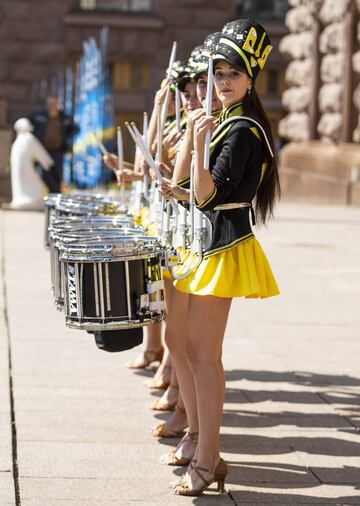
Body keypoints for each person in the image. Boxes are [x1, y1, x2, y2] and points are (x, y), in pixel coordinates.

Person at [160, 19, 280, 496]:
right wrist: (191, 141)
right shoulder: (224, 122)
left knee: (204, 355)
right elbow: (190, 185)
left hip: (224, 245)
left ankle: (209, 457)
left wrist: (199, 147)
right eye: (217, 73)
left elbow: (208, 194)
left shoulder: (245, 129)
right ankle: (198, 440)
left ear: (250, 79)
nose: (222, 82)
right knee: (189, 349)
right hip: (206, 243)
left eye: (232, 73)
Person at [29, 96, 77, 193]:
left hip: (58, 150)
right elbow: (29, 122)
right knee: (46, 172)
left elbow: (75, 128)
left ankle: (56, 193)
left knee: (57, 172)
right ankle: (50, 192)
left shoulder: (64, 117)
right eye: (50, 104)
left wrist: (66, 137)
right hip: (44, 150)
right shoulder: (40, 115)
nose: (52, 106)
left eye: (54, 104)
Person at [9, 118, 53, 210]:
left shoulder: (19, 140)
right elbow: (39, 151)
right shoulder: (28, 138)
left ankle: (26, 198)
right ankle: (29, 199)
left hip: (23, 166)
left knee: (27, 182)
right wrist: (47, 162)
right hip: (24, 167)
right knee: (31, 182)